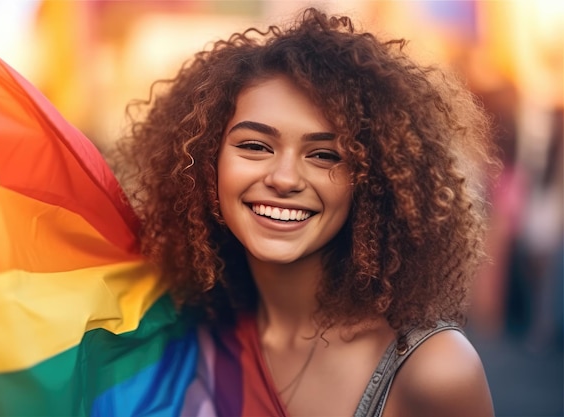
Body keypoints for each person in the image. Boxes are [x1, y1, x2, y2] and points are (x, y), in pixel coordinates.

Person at [111, 7, 498, 417]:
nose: (284, 178)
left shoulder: (434, 371)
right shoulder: (181, 339)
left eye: (325, 155)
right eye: (255, 146)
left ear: (373, 180)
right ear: (206, 163)